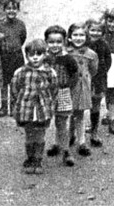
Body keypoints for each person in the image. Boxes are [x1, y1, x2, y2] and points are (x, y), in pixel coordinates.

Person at [11, 39, 57, 175]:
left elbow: (54, 89)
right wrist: (18, 103)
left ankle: (38, 159)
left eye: (39, 54)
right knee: (29, 134)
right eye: (32, 55)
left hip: (43, 109)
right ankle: (30, 158)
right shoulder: (21, 72)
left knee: (40, 134)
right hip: (26, 109)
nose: (35, 57)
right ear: (27, 56)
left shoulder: (50, 72)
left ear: (45, 55)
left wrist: (48, 102)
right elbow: (15, 89)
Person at [44, 25, 79, 167]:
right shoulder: (44, 58)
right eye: (51, 42)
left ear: (64, 42)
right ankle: (55, 145)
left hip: (62, 93)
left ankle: (66, 151)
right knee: (45, 121)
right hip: (46, 94)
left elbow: (75, 76)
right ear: (46, 42)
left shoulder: (68, 59)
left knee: (61, 123)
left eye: (58, 42)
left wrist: (66, 87)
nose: (55, 45)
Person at [65, 21, 98, 158]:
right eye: (75, 35)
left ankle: (82, 142)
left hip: (82, 86)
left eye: (82, 35)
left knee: (79, 114)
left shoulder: (91, 54)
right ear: (69, 37)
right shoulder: (65, 52)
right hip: (67, 87)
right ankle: (66, 139)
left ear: (86, 37)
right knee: (66, 114)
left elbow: (93, 70)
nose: (78, 38)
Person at [0, 0, 27, 118]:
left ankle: (14, 106)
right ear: (4, 10)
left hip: (16, 56)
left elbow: (23, 38)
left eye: (14, 8)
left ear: (18, 10)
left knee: (16, 82)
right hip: (4, 56)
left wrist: (15, 46)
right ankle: (4, 106)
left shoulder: (20, 24)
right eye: (8, 8)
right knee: (4, 83)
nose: (11, 11)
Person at [86, 18, 111, 147]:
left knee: (95, 103)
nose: (95, 33)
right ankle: (73, 133)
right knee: (78, 105)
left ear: (102, 32)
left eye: (98, 31)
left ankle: (94, 132)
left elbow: (108, 60)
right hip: (84, 79)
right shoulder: (83, 43)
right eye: (92, 30)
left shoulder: (104, 44)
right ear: (87, 30)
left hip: (99, 78)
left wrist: (102, 72)